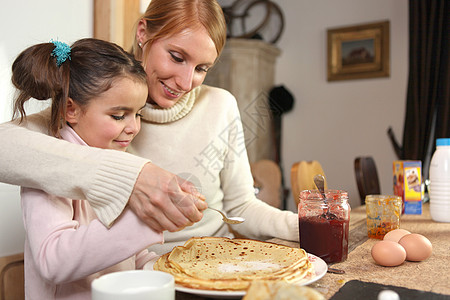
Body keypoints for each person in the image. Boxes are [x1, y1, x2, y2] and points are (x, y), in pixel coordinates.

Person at [0, 0, 298, 255]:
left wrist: (303, 225)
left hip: (214, 269)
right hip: (135, 278)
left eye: (201, 69)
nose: (185, 82)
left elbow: (241, 207)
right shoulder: (98, 102)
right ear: (143, 33)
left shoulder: (220, 104)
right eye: (177, 57)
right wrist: (135, 177)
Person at [12, 38, 163, 299]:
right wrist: (146, 219)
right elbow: (53, 261)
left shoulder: (118, 160)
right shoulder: (45, 169)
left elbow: (130, 255)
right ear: (71, 109)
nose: (133, 127)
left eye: (138, 114)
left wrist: (169, 269)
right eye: (119, 116)